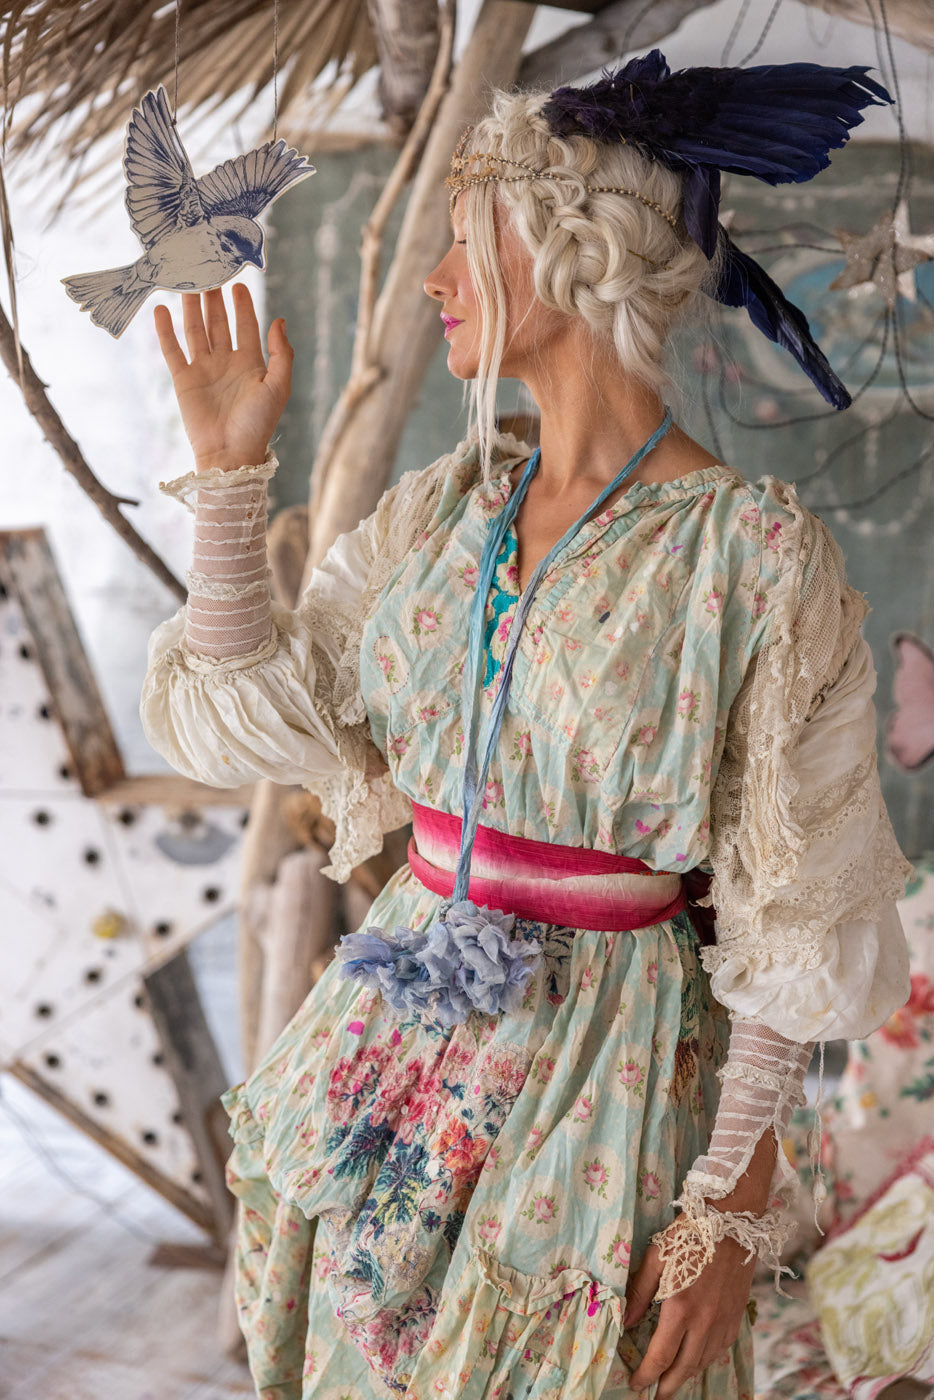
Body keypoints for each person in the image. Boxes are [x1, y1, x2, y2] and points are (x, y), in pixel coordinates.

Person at [141, 55, 912, 1400]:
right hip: (386, 1054)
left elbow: (794, 913)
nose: (436, 278)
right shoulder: (444, 512)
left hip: (601, 1079)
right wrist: (225, 478)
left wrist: (729, 1210)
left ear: (571, 253)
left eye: (464, 237)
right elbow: (249, 720)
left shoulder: (752, 556)